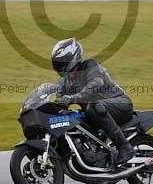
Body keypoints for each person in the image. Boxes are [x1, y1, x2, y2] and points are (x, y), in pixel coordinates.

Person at [51, 37, 134, 167]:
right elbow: (59, 100)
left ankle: (124, 146)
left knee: (94, 107)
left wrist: (72, 98)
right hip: (94, 111)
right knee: (69, 117)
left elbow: (95, 84)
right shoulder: (64, 81)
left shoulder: (90, 65)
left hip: (120, 104)